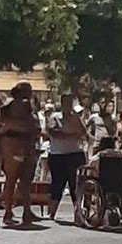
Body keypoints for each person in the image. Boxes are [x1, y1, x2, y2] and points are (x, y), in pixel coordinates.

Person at [0, 82, 40, 226]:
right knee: (19, 179)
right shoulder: (22, 104)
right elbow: (29, 123)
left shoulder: (9, 107)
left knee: (15, 179)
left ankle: (18, 211)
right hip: (19, 143)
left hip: (16, 143)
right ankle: (15, 211)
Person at [47, 93, 87, 221]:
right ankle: (52, 213)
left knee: (75, 184)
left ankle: (78, 213)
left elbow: (83, 132)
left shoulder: (76, 117)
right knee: (57, 184)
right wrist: (71, 135)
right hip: (58, 154)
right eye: (66, 103)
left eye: (70, 103)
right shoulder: (55, 116)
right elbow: (53, 132)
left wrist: (75, 125)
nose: (68, 106)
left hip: (74, 153)